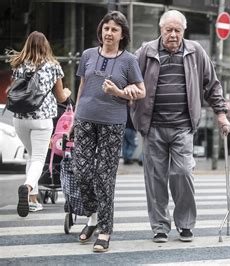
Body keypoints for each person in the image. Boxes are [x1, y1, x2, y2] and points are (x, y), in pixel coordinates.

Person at [130, 10, 230, 244]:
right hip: (153, 126)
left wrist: (221, 115)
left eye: (177, 30)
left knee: (183, 172)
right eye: (168, 30)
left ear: (183, 31)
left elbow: (212, 85)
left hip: (183, 126)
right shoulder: (146, 51)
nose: (173, 35)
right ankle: (159, 227)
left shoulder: (196, 52)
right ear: (161, 30)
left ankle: (185, 223)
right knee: (155, 178)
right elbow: (128, 75)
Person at [73, 11, 145, 252]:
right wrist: (73, 116)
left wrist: (119, 92)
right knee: (81, 171)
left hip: (112, 123)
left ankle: (104, 230)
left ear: (122, 34)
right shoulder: (88, 55)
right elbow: (82, 85)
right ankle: (91, 217)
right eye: (106, 28)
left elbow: (141, 91)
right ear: (100, 31)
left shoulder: (129, 60)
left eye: (114, 29)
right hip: (84, 118)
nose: (109, 33)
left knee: (104, 177)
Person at [9, 31, 71, 217]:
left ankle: (33, 200)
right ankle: (28, 188)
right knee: (38, 158)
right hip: (42, 119)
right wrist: (67, 92)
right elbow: (61, 97)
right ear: (46, 46)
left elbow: (18, 93)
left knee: (31, 156)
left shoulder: (19, 65)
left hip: (20, 119)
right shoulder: (53, 66)